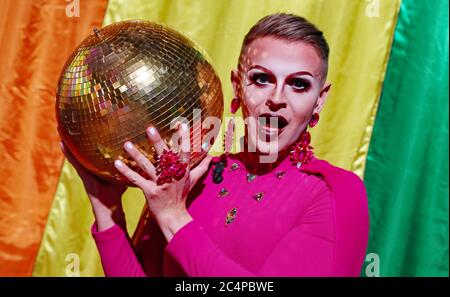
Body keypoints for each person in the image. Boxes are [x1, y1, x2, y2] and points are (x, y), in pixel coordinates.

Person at [61, 13, 369, 277]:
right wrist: (107, 208)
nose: (276, 99)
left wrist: (174, 217)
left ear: (320, 99)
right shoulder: (195, 176)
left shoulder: (333, 192)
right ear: (237, 85)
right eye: (261, 79)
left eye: (298, 84)